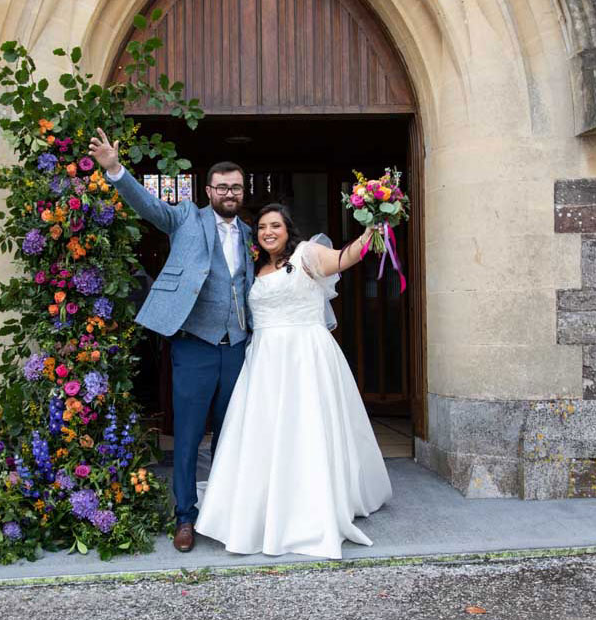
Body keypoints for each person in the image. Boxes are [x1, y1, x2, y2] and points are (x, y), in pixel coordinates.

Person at [194, 203, 393, 559]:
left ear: (288, 229)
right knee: (265, 432)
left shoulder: (306, 255)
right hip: (265, 360)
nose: (268, 232)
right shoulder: (254, 268)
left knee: (307, 426)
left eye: (275, 226)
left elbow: (346, 258)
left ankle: (310, 508)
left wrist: (371, 228)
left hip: (305, 355)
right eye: (261, 227)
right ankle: (263, 505)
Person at [88, 128, 254, 552]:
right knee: (188, 435)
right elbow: (149, 206)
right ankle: (185, 517)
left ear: (243, 191)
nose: (229, 193)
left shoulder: (251, 234)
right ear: (209, 191)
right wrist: (115, 170)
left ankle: (226, 514)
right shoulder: (185, 218)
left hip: (238, 346)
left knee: (233, 435)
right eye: (222, 187)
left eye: (236, 187)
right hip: (194, 344)